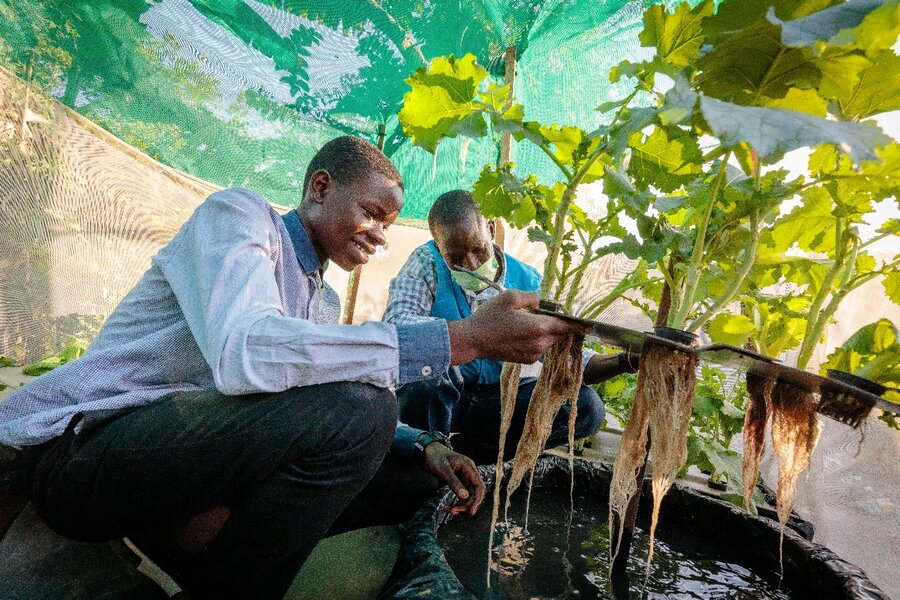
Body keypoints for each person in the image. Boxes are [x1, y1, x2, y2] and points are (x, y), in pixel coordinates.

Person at [0, 137, 586, 599]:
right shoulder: (237, 218)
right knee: (360, 411)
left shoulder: (322, 302)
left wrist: (422, 446)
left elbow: (321, 382)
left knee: (414, 473)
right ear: (320, 187)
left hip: (186, 465)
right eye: (373, 214)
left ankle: (196, 542)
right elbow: (246, 354)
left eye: (388, 223)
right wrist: (464, 338)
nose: (382, 236)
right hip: (89, 457)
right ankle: (224, 581)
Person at [383, 190, 638, 463]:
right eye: (455, 258)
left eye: (478, 250)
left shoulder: (525, 281)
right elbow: (396, 324)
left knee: (586, 408)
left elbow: (569, 364)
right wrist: (473, 333)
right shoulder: (427, 263)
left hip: (492, 403)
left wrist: (627, 360)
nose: (470, 264)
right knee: (429, 374)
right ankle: (428, 462)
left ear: (490, 229)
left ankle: (479, 458)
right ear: (438, 246)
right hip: (437, 400)